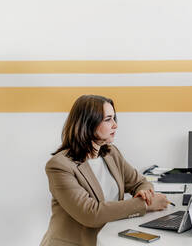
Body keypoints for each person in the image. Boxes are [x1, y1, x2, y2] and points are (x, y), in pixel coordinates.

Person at [41, 95, 169, 246]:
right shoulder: (60, 165)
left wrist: (146, 192)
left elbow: (139, 182)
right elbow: (90, 213)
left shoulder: (111, 153)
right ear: (88, 123)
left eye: (114, 118)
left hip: (109, 239)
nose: (115, 125)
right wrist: (146, 205)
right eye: (108, 119)